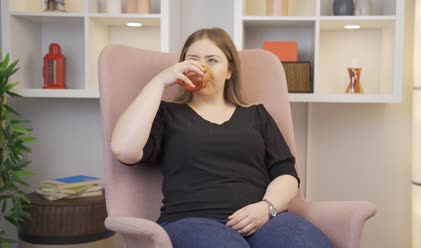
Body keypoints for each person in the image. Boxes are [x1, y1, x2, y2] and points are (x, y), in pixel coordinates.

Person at [111, 27, 333, 248]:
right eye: (193, 59)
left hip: (264, 220)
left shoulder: (256, 114)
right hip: (192, 222)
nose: (201, 67)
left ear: (229, 70)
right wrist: (159, 81)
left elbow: (286, 175)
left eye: (212, 60)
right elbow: (124, 149)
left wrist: (266, 208)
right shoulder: (166, 114)